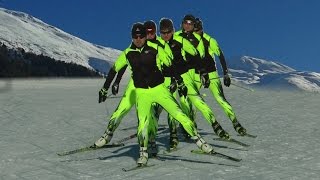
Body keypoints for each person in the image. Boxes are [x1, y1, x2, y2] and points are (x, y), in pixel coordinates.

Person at [98, 22, 214, 166]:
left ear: (146, 36)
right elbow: (114, 70)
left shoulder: (156, 48)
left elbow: (171, 65)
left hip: (159, 89)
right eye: (135, 36)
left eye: (141, 36)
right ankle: (143, 153)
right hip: (142, 93)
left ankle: (200, 141)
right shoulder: (128, 53)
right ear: (132, 37)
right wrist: (105, 88)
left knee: (178, 114)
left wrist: (180, 82)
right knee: (143, 123)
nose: (138, 39)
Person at [174, 14, 231, 140]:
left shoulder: (198, 39)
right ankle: (188, 126)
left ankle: (213, 126)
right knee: (184, 101)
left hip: (193, 74)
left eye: (191, 23)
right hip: (179, 74)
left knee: (195, 100)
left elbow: (200, 57)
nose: (188, 25)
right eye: (185, 22)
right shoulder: (176, 36)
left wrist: (204, 72)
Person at [193, 17, 247, 135]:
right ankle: (191, 124)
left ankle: (235, 122)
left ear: (201, 29)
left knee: (220, 99)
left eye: (197, 30)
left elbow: (220, 56)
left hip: (211, 73)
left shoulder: (209, 40)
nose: (195, 33)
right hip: (197, 74)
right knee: (193, 99)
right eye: (194, 31)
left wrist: (226, 73)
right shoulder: (189, 40)